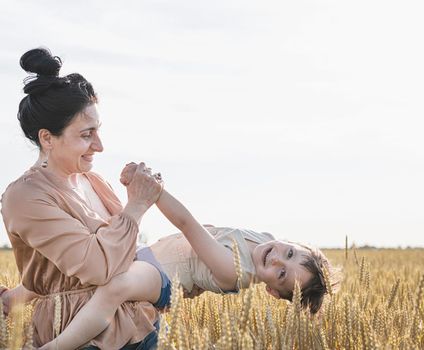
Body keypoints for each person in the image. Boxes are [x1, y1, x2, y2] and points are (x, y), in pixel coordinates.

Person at [3, 160, 336, 350]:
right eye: (289, 253)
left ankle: (56, 348)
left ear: (270, 290)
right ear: (289, 241)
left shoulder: (235, 272)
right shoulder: (265, 239)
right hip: (149, 254)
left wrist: (153, 190)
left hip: (162, 278)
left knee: (115, 287)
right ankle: (9, 302)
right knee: (78, 273)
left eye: (281, 274)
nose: (277, 259)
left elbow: (188, 224)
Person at [0, 47, 163, 349]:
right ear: (47, 138)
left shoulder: (93, 181)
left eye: (98, 132)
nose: (99, 146)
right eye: (87, 135)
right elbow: (98, 267)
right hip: (83, 339)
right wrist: (137, 205)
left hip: (141, 328)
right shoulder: (25, 197)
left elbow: (111, 259)